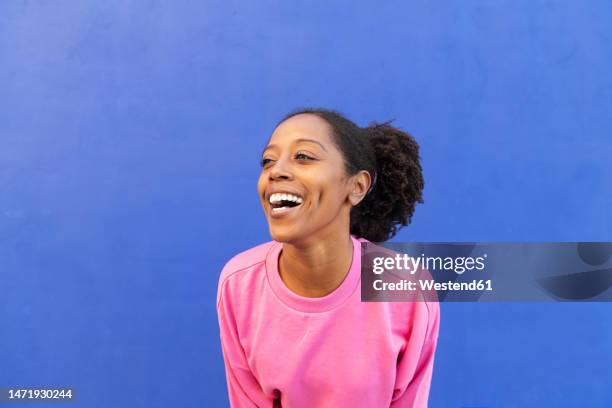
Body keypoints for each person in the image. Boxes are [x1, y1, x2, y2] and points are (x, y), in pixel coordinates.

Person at [216, 108, 440, 407]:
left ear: (357, 186)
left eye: (304, 156)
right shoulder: (239, 284)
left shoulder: (406, 287)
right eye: (268, 160)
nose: (275, 171)